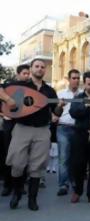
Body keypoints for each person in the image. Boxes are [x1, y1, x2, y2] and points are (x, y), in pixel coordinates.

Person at [4, 59, 64, 210]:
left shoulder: (49, 91)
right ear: (31, 69)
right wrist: (9, 99)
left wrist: (59, 107)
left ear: (45, 70)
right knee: (17, 164)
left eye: (42, 67)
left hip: (42, 130)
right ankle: (17, 193)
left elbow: (55, 114)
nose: (40, 69)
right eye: (37, 66)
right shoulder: (21, 85)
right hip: (22, 128)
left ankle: (32, 199)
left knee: (37, 167)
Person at [69, 71, 90, 204]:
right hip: (80, 135)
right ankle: (77, 191)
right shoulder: (79, 97)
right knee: (78, 165)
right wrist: (88, 107)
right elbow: (73, 113)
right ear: (84, 84)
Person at [1, 64, 30, 196]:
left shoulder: (30, 87)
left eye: (28, 73)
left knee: (23, 155)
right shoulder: (8, 86)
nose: (27, 75)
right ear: (18, 74)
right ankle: (8, 185)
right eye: (24, 73)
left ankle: (20, 185)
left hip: (23, 125)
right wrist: (3, 114)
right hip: (9, 124)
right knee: (8, 155)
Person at [56, 69, 81, 196]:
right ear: (69, 79)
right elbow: (55, 112)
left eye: (78, 78)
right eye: (74, 78)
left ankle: (74, 181)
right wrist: (59, 106)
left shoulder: (83, 94)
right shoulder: (60, 94)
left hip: (78, 129)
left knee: (76, 158)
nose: (76, 80)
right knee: (64, 158)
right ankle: (63, 185)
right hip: (63, 128)